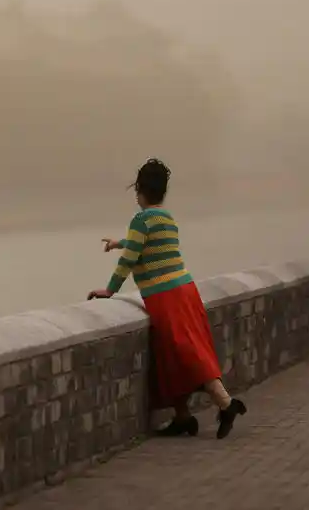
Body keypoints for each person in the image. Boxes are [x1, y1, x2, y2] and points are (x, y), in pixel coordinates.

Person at [87, 158, 247, 439]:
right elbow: (143, 242)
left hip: (166, 294)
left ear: (140, 191)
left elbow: (130, 258)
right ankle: (183, 417)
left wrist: (110, 290)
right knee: (171, 355)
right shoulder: (166, 218)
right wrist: (119, 242)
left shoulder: (140, 219)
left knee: (188, 351)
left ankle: (226, 403)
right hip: (185, 289)